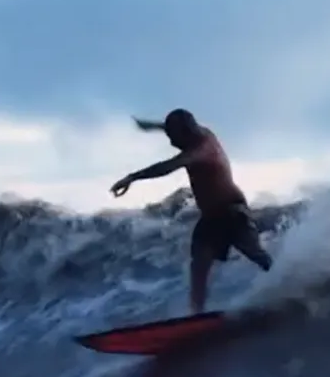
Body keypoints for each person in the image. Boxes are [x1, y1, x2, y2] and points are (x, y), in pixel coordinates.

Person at [110, 108, 273, 314]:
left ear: (185, 132)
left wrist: (132, 177)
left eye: (172, 136)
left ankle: (290, 284)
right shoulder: (196, 133)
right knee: (199, 263)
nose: (170, 142)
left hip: (233, 213)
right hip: (211, 217)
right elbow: (176, 129)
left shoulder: (201, 149)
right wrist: (152, 126)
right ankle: (197, 315)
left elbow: (168, 166)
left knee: (254, 253)